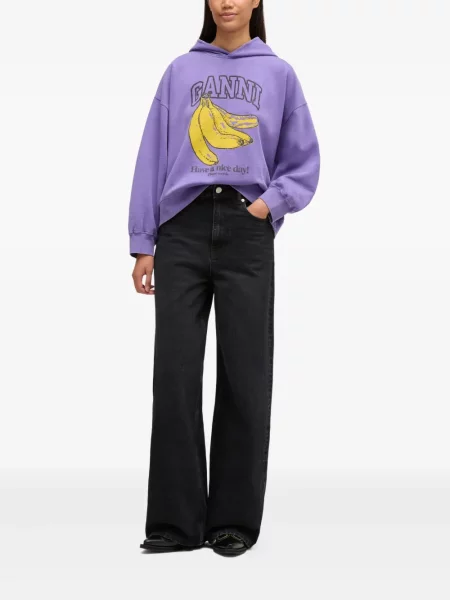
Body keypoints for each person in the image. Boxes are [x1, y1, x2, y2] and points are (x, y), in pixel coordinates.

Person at [128, 0, 320, 557]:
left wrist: (267, 205)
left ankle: (233, 522)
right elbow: (152, 154)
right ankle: (175, 523)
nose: (227, 1)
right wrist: (143, 241)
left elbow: (303, 160)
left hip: (246, 228)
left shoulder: (279, 74)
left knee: (244, 376)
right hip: (181, 229)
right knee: (175, 375)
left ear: (257, 1)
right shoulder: (180, 70)